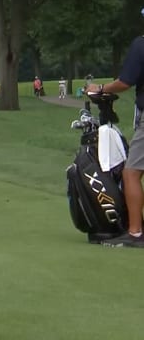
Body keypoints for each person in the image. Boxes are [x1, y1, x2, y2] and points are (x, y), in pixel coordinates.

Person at [85, 32, 144, 246]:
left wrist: (100, 88)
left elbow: (124, 83)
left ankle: (136, 233)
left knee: (131, 173)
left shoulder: (141, 44)